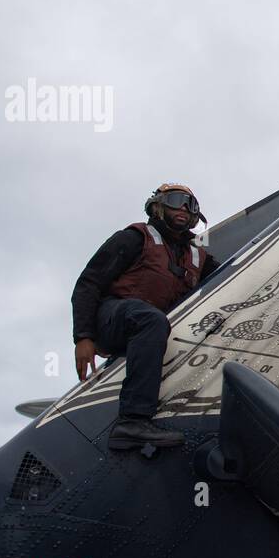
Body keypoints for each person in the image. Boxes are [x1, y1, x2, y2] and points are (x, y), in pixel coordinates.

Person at [72, 183, 219, 449]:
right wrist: (83, 337)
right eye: (177, 201)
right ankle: (132, 422)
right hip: (114, 317)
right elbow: (88, 283)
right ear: (158, 206)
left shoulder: (197, 257)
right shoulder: (136, 237)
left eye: (191, 204)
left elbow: (229, 278)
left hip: (150, 330)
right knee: (149, 318)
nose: (184, 209)